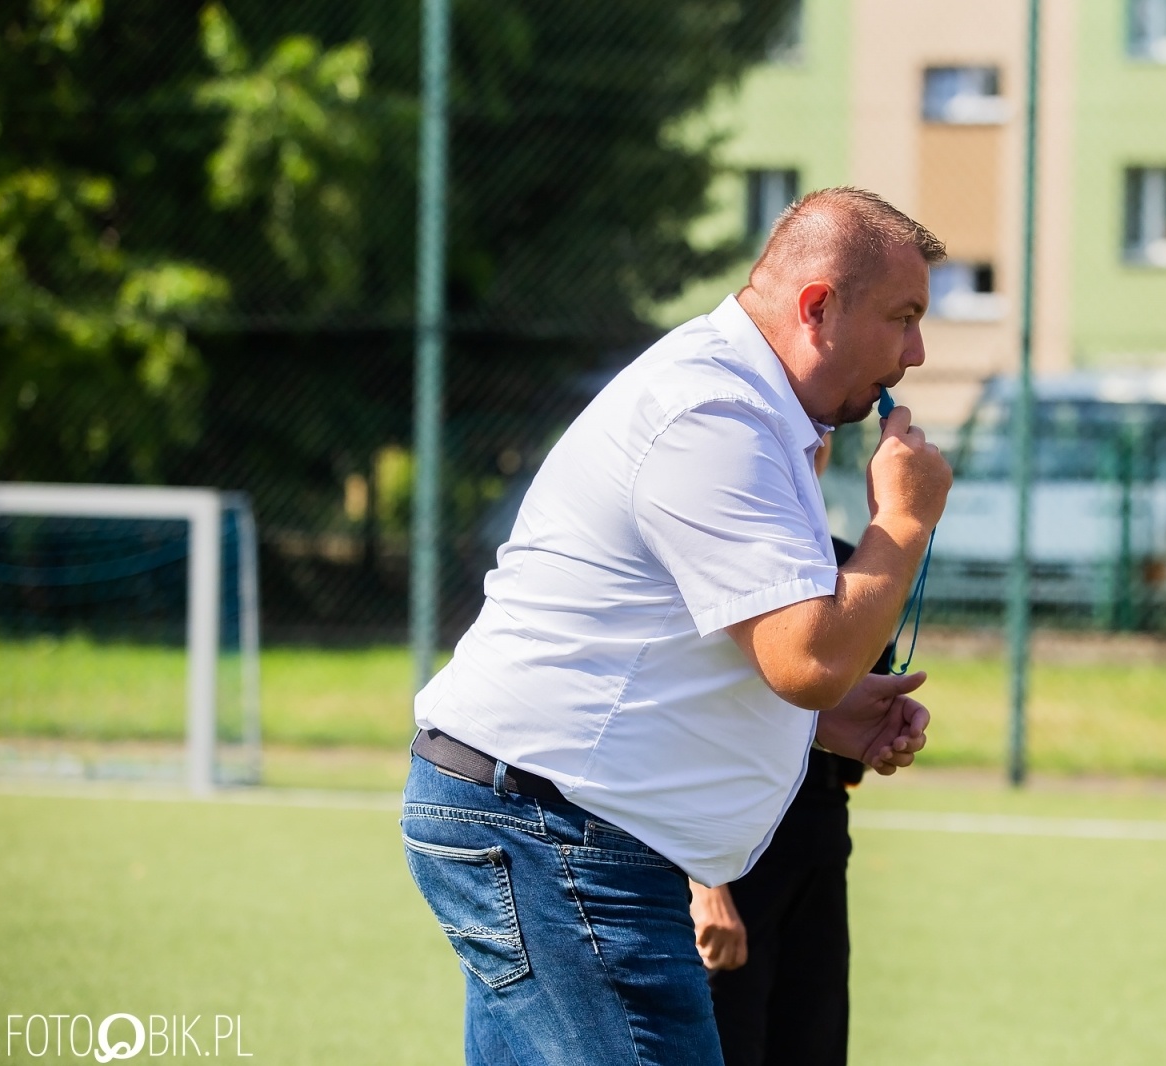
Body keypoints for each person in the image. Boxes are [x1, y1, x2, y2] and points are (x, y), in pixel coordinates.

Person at [400, 187, 952, 1066]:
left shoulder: (749, 406)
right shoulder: (713, 414)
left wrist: (819, 722)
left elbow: (711, 641)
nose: (916, 353)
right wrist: (906, 520)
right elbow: (807, 658)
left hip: (546, 821)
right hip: (558, 836)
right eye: (904, 318)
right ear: (818, 308)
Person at [690, 436, 886, 1066]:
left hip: (818, 828)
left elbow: (846, 731)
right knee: (728, 1040)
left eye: (821, 432)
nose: (812, 443)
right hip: (731, 838)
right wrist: (704, 883)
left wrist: (882, 723)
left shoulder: (853, 571)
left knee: (812, 1041)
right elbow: (688, 727)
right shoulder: (721, 555)